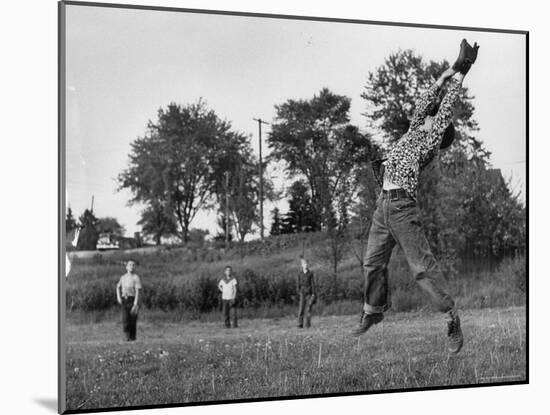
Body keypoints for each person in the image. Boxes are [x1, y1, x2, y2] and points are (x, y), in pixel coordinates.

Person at [352, 39, 479, 354]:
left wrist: (463, 73)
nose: (430, 112)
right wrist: (451, 66)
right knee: (372, 263)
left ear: (438, 128)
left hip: (403, 208)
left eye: (434, 115)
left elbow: (446, 102)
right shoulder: (413, 130)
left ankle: (451, 317)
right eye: (430, 113)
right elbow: (429, 97)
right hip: (384, 206)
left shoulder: (432, 139)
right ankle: (373, 311)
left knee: (421, 268)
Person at [116, 259, 142, 341]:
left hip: (132, 299)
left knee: (132, 321)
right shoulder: (123, 277)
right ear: (126, 267)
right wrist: (119, 298)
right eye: (130, 265)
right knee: (125, 319)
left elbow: (138, 291)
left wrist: (135, 304)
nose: (132, 267)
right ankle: (126, 337)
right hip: (124, 300)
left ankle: (132, 338)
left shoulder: (136, 277)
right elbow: (118, 287)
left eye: (133, 265)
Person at [297, 257, 317, 328]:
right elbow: (298, 284)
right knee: (301, 309)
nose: (306, 265)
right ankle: (300, 324)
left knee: (308, 309)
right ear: (302, 265)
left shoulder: (310, 273)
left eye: (307, 263)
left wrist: (314, 294)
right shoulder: (299, 274)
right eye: (304, 264)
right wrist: (299, 291)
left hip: (309, 293)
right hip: (302, 293)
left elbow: (313, 284)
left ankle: (307, 325)